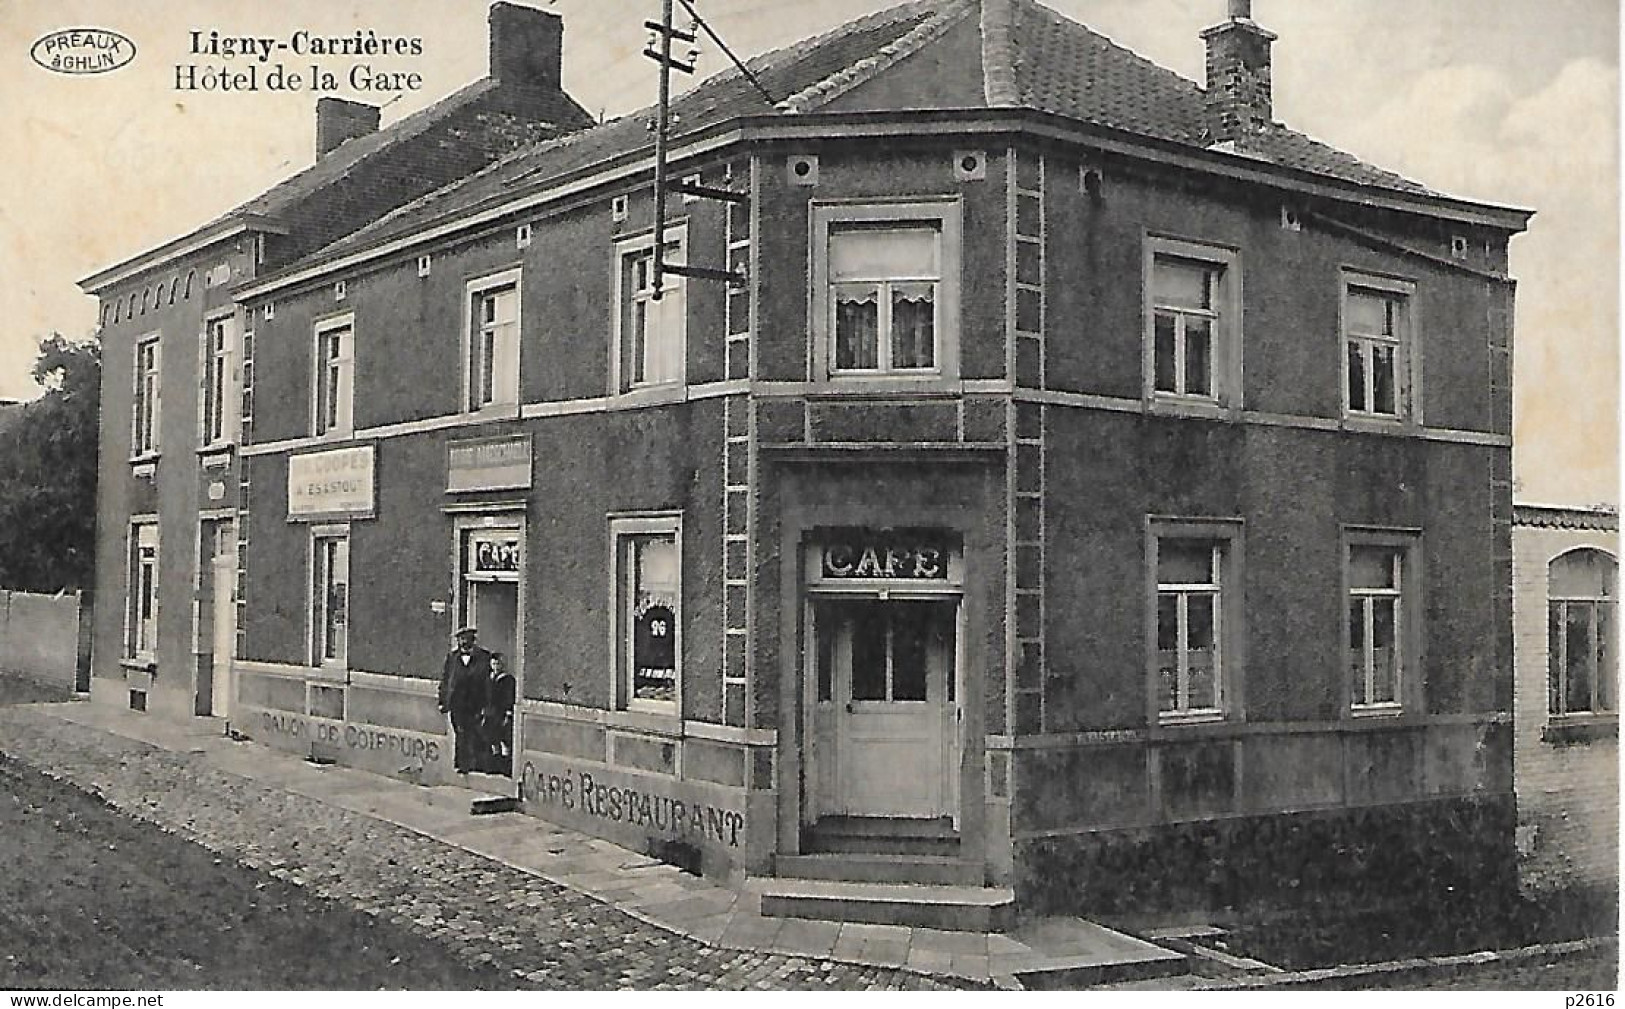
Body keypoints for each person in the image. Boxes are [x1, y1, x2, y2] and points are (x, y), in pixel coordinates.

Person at [437, 626, 491, 775]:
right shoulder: (452, 658)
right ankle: (462, 764)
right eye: (461, 639)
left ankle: (477, 764)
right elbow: (445, 680)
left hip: (476, 703)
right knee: (460, 732)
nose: (463, 642)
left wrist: (487, 704)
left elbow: (488, 682)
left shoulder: (484, 657)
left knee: (475, 732)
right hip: (457, 703)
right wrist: (443, 700)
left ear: (473, 640)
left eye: (467, 639)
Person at [478, 651, 516, 776]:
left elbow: (509, 698)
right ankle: (494, 765)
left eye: (498, 663)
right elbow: (484, 696)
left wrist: (508, 714)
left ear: (502, 664)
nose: (495, 666)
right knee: (491, 739)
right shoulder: (488, 679)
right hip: (490, 714)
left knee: (503, 740)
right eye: (493, 663)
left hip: (501, 713)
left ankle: (505, 767)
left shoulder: (507, 680)